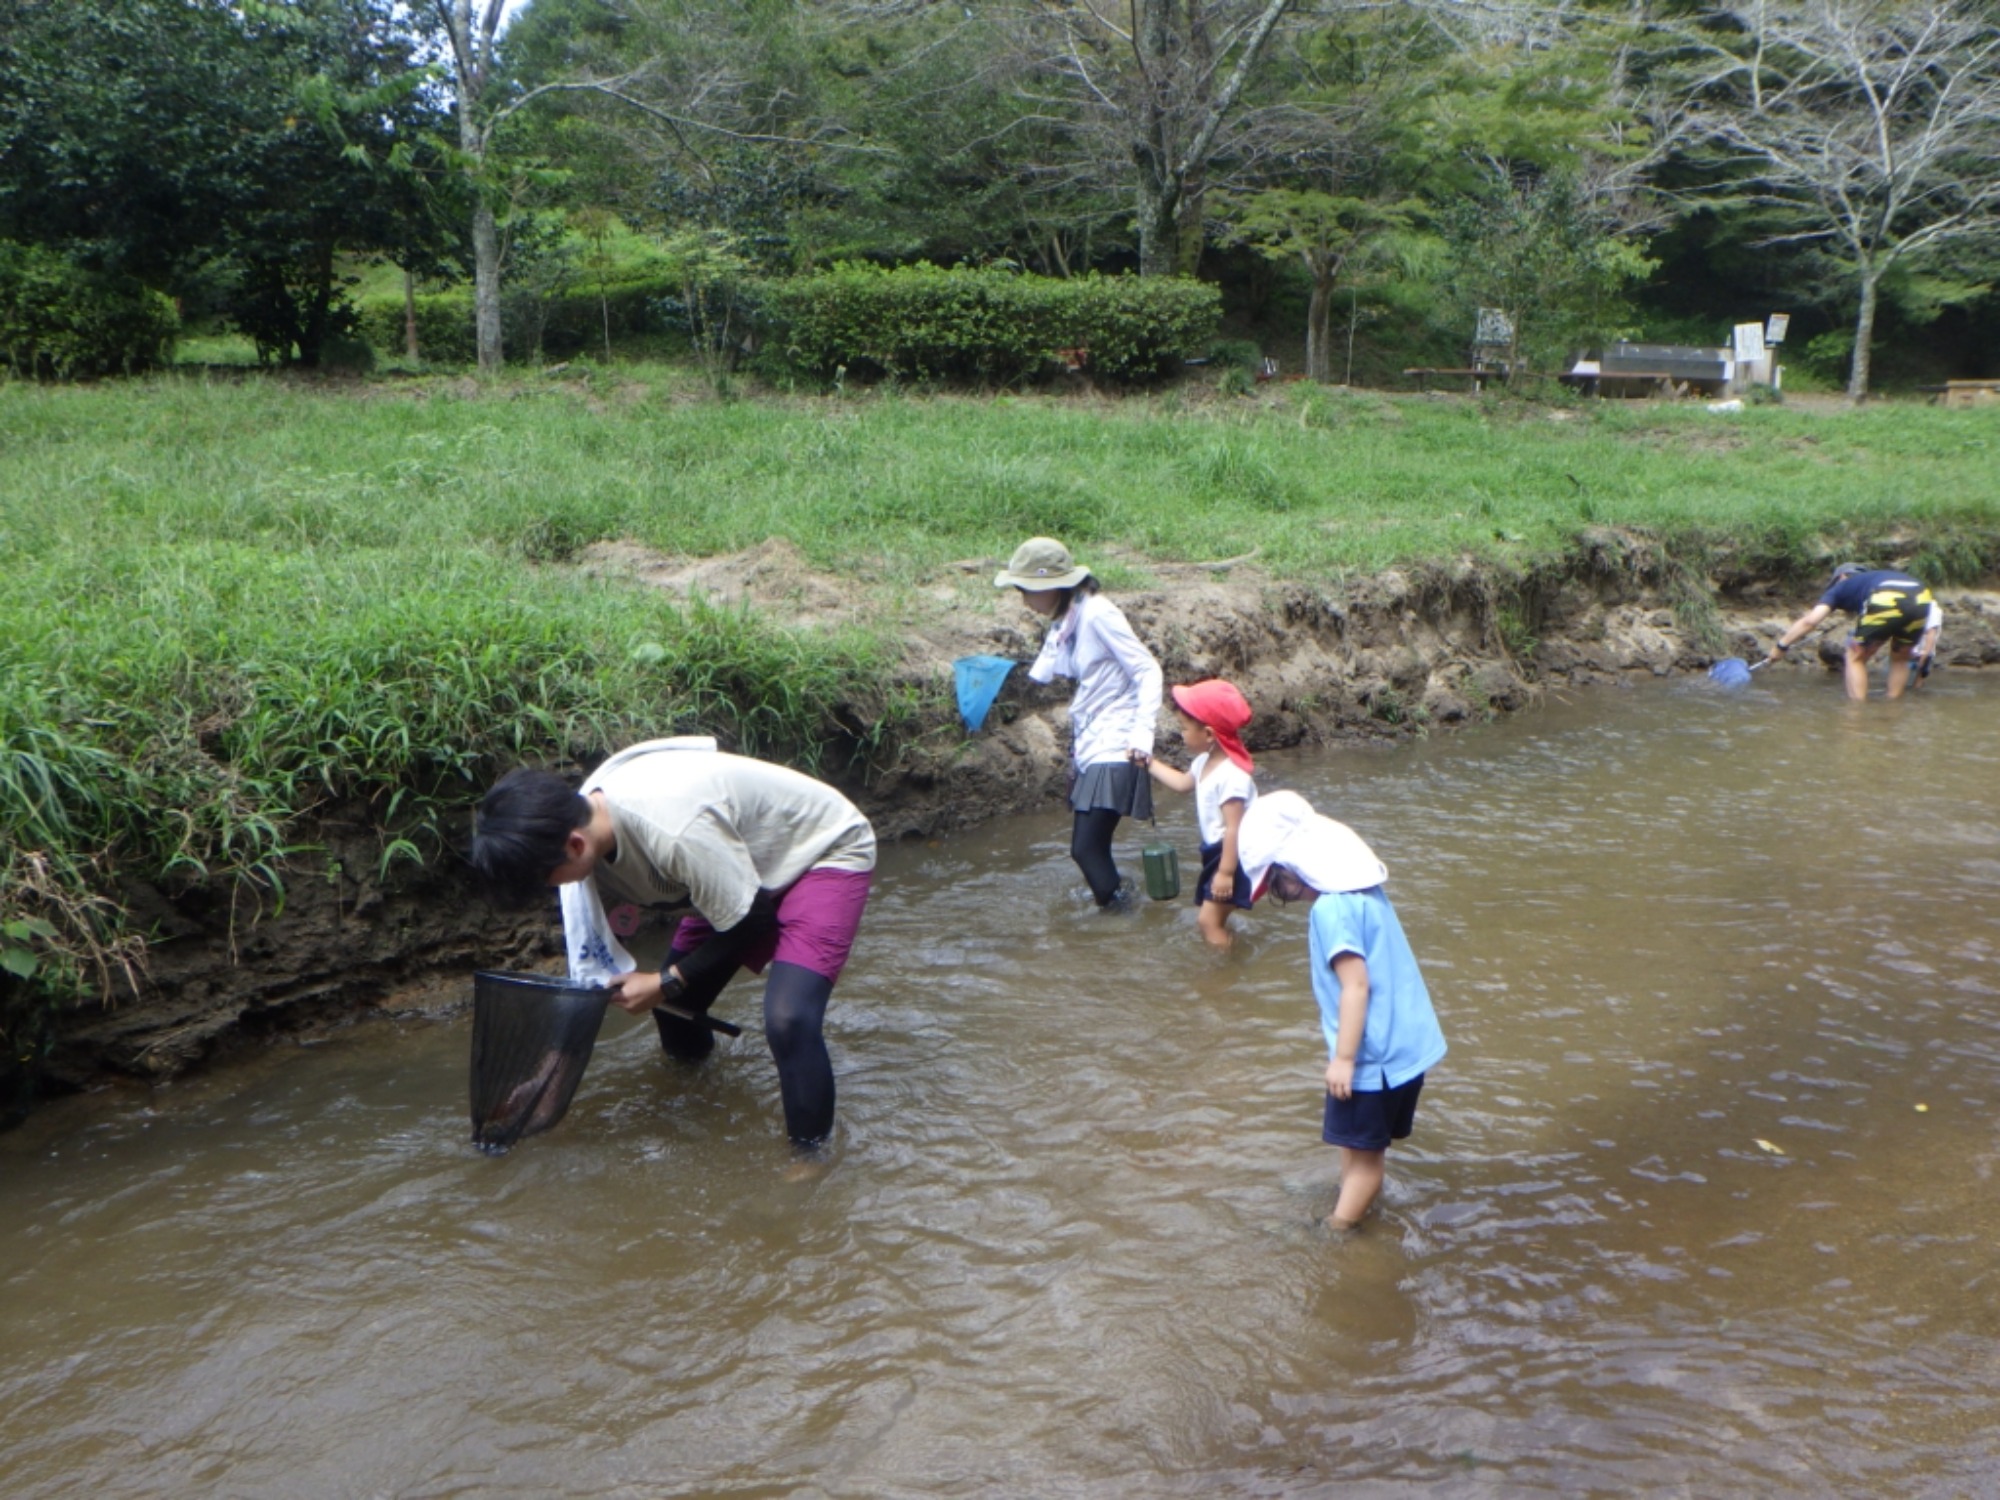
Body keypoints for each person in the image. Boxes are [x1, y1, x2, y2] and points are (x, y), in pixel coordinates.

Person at [470, 738, 876, 1148]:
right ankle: (700, 1097)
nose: (549, 889)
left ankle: (809, 1167)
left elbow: (752, 921)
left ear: (575, 846)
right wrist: (547, 1082)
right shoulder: (571, 832)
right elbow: (588, 979)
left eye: (545, 880)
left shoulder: (673, 830)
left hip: (819, 850)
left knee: (789, 1018)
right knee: (675, 1011)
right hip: (729, 870)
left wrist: (666, 980)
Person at [1239, 791, 1447, 1233]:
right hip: (1405, 1048)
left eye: (1276, 884)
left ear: (1293, 870)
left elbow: (1355, 985)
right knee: (1357, 1143)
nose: (1280, 895)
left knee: (1368, 1162)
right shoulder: (1363, 890)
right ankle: (1348, 1193)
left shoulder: (1330, 911)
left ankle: (1336, 1231)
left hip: (1373, 1060)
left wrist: (1344, 1059)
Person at [996, 536, 1164, 908]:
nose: (1023, 598)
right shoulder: (1068, 619)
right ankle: (1124, 905)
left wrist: (1142, 734)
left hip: (1116, 743)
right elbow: (1051, 668)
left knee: (1085, 849)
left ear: (1054, 586)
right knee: (1090, 849)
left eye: (1026, 589)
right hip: (1094, 744)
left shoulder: (1098, 613)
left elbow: (1148, 669)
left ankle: (1122, 921)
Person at [1148, 679, 1258, 949]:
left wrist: (1225, 873)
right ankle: (1232, 951)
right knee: (1214, 918)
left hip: (1234, 856)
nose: (1181, 735)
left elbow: (1235, 828)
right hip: (1217, 853)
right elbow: (1183, 784)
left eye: (1184, 728)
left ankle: (1224, 973)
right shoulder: (1203, 763)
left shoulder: (1232, 777)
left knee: (1207, 921)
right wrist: (1148, 763)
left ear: (1209, 734)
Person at [1768, 561, 1938, 701]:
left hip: (1885, 596)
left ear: (1841, 577)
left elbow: (1810, 621)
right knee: (1901, 657)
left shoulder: (1841, 587)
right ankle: (1892, 707)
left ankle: (1857, 713)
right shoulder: (1871, 579)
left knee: (1854, 656)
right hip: (1922, 596)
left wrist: (1781, 646)